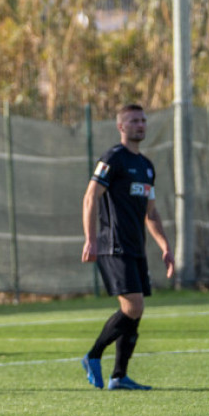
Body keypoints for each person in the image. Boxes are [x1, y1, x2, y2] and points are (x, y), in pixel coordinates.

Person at [79, 103, 173, 391]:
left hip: (136, 248)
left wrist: (165, 246)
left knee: (135, 312)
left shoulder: (146, 167)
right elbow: (90, 197)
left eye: (143, 120)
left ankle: (119, 376)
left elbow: (151, 213)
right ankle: (93, 356)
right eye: (133, 121)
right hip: (113, 245)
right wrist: (91, 238)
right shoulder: (113, 158)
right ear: (121, 126)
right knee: (133, 307)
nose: (140, 125)